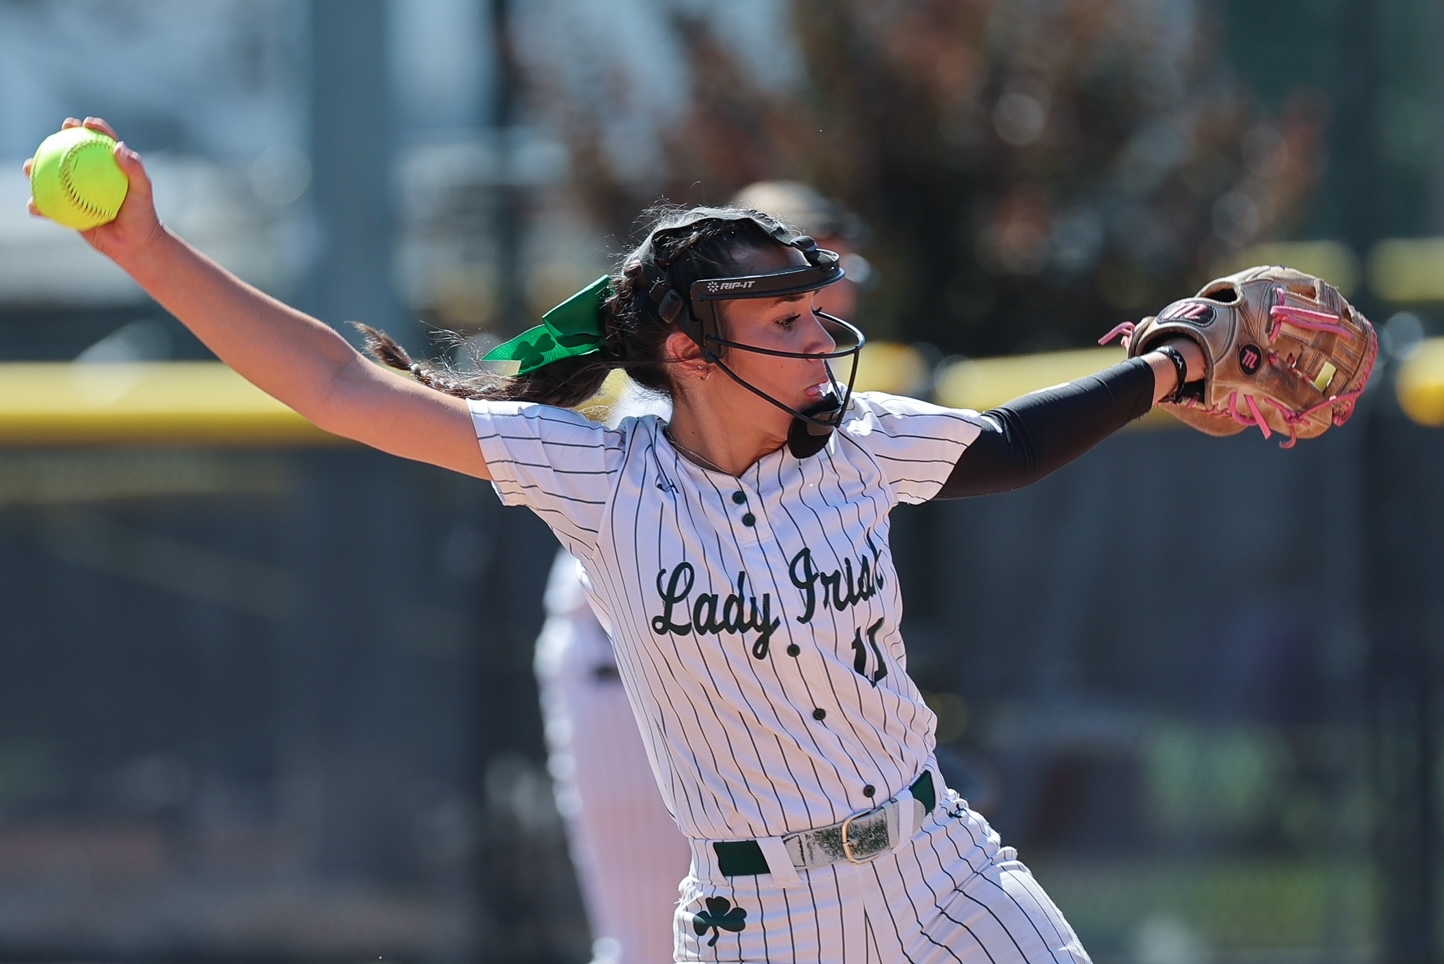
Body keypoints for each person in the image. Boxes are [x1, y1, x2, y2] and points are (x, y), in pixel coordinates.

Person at [28, 117, 1205, 963]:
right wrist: (148, 251)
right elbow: (338, 384)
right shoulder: (598, 475)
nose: (821, 334)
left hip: (943, 868)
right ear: (689, 352)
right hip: (766, 921)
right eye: (785, 317)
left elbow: (1005, 442)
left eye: (814, 309)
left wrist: (1169, 366)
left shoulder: (861, 436)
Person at [534, 181, 872, 964]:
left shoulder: (789, 382)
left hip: (705, 686)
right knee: (654, 943)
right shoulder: (683, 396)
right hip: (628, 684)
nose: (839, 288)